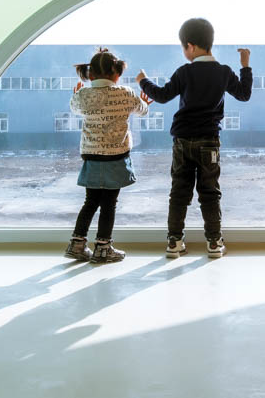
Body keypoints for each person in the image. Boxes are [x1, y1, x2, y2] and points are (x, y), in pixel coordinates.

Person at [137, 17, 252, 259]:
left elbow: (162, 95)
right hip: (209, 141)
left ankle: (174, 242)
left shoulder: (185, 72)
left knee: (179, 191)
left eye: (183, 48)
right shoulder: (224, 72)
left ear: (190, 46)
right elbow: (243, 95)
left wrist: (143, 81)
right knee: (210, 192)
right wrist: (245, 65)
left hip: (182, 140)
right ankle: (213, 243)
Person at [66, 48, 149, 264]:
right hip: (116, 157)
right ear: (117, 74)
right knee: (109, 203)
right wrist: (144, 104)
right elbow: (142, 110)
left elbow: (74, 107)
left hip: (92, 157)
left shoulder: (83, 95)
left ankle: (76, 244)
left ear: (90, 75)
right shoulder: (126, 93)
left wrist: (76, 94)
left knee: (90, 201)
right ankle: (103, 248)